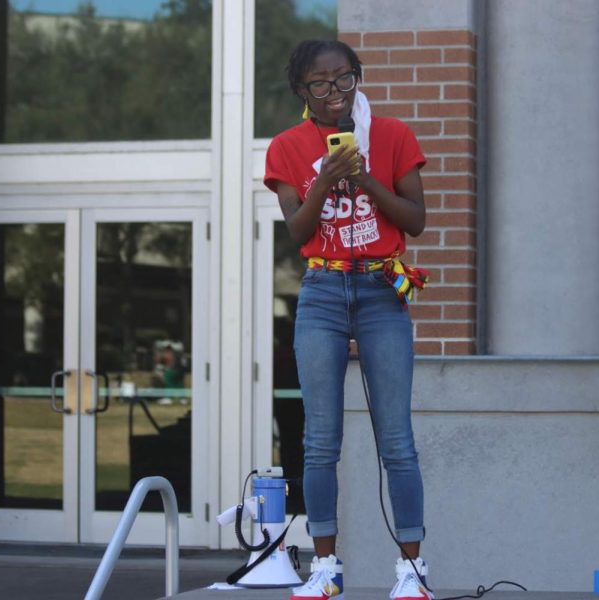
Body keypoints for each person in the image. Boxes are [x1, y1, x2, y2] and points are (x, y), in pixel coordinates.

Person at [263, 39, 432, 600]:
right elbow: (298, 232)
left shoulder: (391, 135)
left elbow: (416, 219)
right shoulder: (287, 147)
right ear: (301, 91)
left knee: (397, 441)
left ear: (357, 78)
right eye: (321, 84)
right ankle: (326, 568)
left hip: (383, 288)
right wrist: (327, 177)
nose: (335, 93)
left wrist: (362, 179)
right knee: (320, 442)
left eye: (344, 80)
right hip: (323, 291)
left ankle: (411, 570)